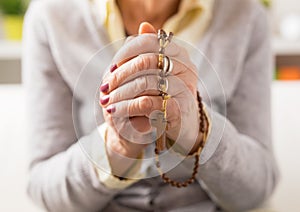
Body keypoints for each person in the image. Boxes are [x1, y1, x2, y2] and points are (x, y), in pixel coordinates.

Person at [23, 0, 279, 211]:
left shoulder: (245, 15)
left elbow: (256, 188)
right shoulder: (51, 16)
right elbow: (44, 188)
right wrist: (115, 146)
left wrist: (199, 132)